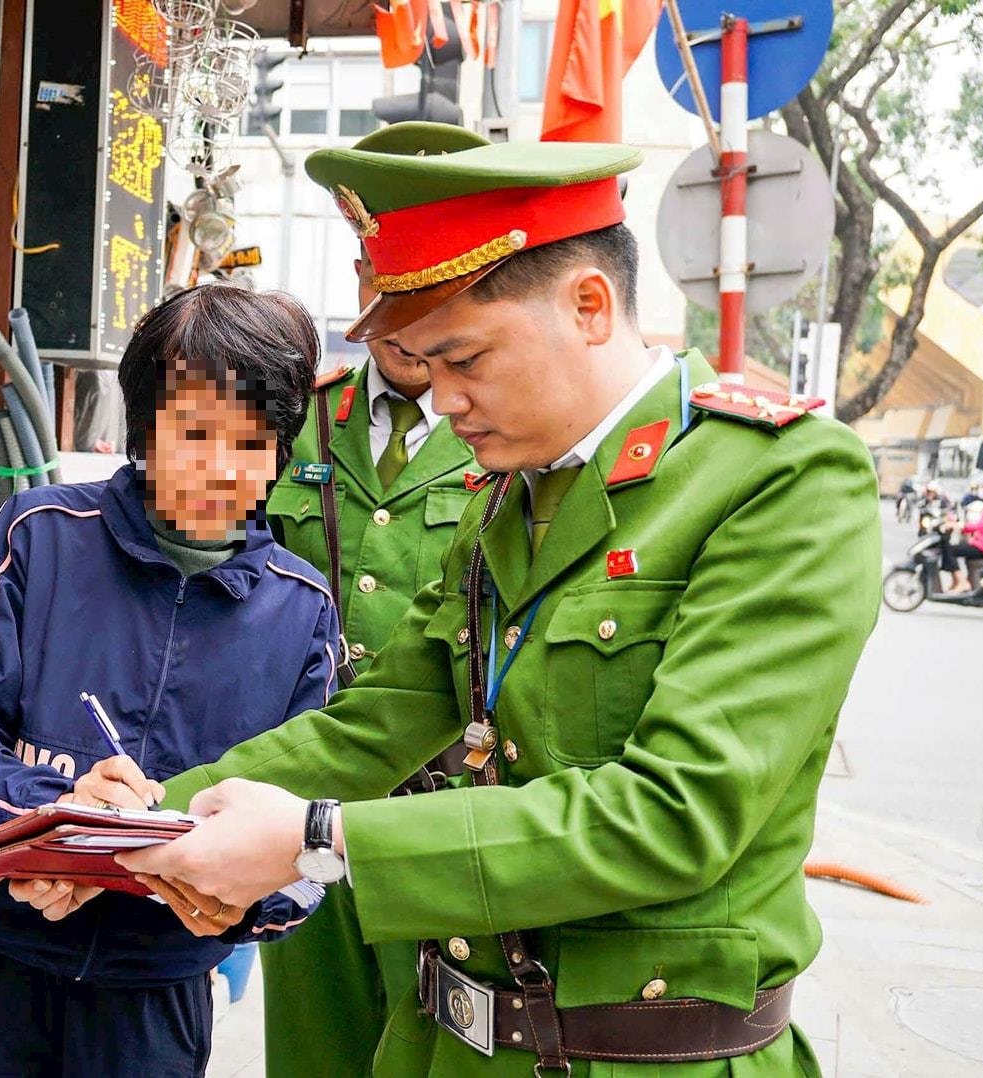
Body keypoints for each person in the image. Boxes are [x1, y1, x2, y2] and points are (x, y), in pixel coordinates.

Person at [112, 124, 882, 1075]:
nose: (442, 402)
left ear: (589, 306)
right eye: (425, 367)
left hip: (642, 1057)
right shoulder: (508, 496)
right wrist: (141, 821)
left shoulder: (777, 481)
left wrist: (319, 839)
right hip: (450, 1044)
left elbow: (675, 813)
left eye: (465, 360)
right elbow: (381, 719)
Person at [0, 284, 334, 1077]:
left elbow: (309, 831)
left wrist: (243, 904)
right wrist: (49, 826)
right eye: (194, 433)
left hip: (153, 994)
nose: (220, 469)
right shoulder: (40, 537)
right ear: (144, 429)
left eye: (251, 441)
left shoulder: (301, 611)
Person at [255, 122, 479, 1078]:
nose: (406, 316)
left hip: (446, 804)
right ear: (360, 277)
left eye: (436, 290)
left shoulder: (505, 434)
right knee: (313, 1049)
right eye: (387, 280)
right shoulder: (299, 418)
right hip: (300, 788)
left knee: (435, 1050)